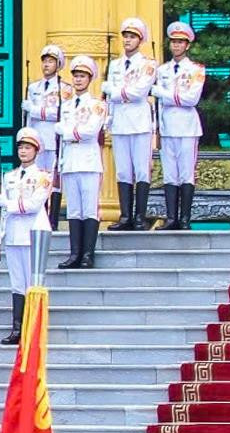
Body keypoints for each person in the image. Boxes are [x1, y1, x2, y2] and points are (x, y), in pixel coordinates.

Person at [0, 128, 54, 345]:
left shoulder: (43, 177)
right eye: (21, 147)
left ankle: (32, 328)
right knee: (17, 283)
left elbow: (33, 205)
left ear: (36, 151)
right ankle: (17, 328)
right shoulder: (9, 177)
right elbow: (4, 213)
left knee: (32, 282)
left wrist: (8, 204)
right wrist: (0, 234)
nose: (23, 151)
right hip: (13, 234)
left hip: (33, 234)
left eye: (28, 147)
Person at [107, 16, 160, 231]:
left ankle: (140, 216)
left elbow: (139, 92)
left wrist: (115, 92)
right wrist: (110, 115)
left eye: (132, 37)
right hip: (120, 122)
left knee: (141, 169)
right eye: (126, 36)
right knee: (123, 171)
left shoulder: (148, 64)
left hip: (139, 122)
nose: (127, 40)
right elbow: (110, 98)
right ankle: (125, 216)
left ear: (141, 40)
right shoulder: (115, 65)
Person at [58, 53, 110, 270]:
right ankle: (74, 254)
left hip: (89, 161)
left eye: (82, 76)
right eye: (76, 76)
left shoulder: (97, 105)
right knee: (74, 210)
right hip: (70, 160)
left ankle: (88, 254)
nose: (78, 80)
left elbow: (90, 131)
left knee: (89, 209)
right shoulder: (66, 105)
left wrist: (68, 132)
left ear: (90, 79)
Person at [154, 20, 206, 232]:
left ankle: (184, 218)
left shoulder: (196, 70)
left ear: (187, 45)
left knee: (186, 173)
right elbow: (159, 105)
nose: (176, 45)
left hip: (186, 127)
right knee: (170, 174)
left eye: (180, 42)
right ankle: (171, 218)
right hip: (167, 126)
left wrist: (165, 95)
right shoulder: (162, 70)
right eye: (173, 42)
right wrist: (157, 127)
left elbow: (191, 99)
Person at [22, 43, 67, 228]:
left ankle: (53, 219)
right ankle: (39, 217)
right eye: (44, 61)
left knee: (54, 180)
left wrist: (35, 110)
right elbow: (28, 119)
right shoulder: (34, 87)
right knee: (38, 179)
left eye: (51, 61)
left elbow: (58, 113)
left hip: (54, 139)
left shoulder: (64, 89)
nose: (46, 65)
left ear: (58, 64)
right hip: (37, 139)